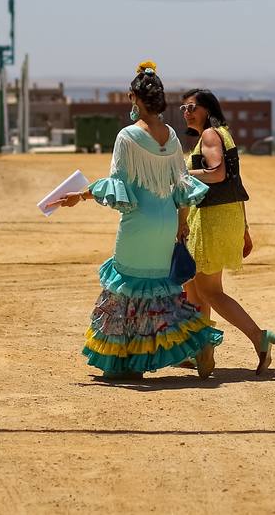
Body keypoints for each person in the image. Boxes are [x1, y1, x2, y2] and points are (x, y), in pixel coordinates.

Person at [54, 62, 223, 380]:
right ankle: (196, 342)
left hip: (138, 224)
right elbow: (182, 185)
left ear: (134, 97)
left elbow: (118, 184)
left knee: (126, 290)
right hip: (166, 222)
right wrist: (181, 223)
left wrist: (80, 195)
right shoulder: (171, 136)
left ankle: (126, 361)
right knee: (159, 292)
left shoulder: (127, 137)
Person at [181, 89, 275, 375]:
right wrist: (244, 228)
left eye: (191, 107)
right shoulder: (222, 134)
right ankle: (200, 350)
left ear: (206, 109)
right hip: (225, 216)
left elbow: (218, 174)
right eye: (183, 108)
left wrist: (181, 174)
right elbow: (235, 183)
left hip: (212, 219)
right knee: (195, 288)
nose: (186, 112)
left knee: (209, 290)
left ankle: (259, 337)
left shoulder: (211, 135)